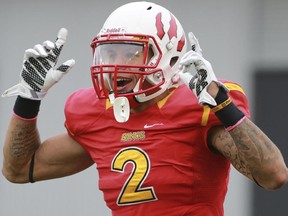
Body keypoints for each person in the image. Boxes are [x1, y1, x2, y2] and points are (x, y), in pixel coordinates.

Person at [2, 1, 288, 216]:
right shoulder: (92, 111)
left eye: (130, 52)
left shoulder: (197, 107)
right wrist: (29, 97)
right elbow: (19, 170)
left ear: (167, 55)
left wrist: (223, 105)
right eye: (109, 52)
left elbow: (273, 175)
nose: (115, 63)